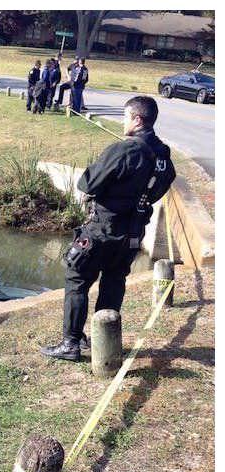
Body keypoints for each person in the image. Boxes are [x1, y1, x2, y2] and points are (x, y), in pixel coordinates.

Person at [40, 96, 176, 361]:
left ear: (137, 120)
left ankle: (70, 343)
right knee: (114, 282)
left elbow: (87, 183)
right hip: (134, 233)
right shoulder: (164, 156)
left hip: (103, 229)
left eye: (126, 117)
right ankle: (103, 342)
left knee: (77, 278)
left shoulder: (124, 151)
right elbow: (161, 187)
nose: (123, 122)